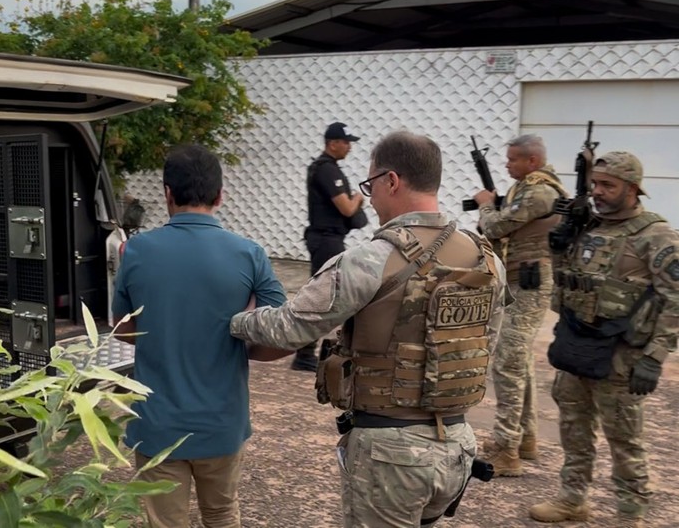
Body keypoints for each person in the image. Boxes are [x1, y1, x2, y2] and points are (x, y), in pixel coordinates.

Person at [231, 130, 509, 527]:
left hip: (390, 452)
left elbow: (289, 329)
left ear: (391, 181)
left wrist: (233, 321)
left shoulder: (371, 260)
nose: (371, 197)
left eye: (370, 185)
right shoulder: (486, 258)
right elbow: (487, 343)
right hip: (457, 446)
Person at [111, 144, 287, 528]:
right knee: (222, 514)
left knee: (164, 521)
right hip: (222, 422)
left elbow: (121, 325)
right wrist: (233, 340)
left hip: (157, 423)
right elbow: (282, 333)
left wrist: (165, 334)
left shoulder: (137, 250)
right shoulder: (249, 253)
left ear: (167, 193)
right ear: (220, 195)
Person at [529, 151, 678, 527]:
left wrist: (655, 356)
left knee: (624, 440)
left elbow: (675, 297)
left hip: (621, 354)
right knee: (574, 429)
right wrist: (560, 243)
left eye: (608, 185)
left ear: (633, 189)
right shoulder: (587, 226)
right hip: (578, 343)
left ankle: (631, 514)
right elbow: (568, 282)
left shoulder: (655, 235)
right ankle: (572, 499)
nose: (598, 191)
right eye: (595, 183)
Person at [471, 134, 569, 476]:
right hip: (519, 280)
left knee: (508, 361)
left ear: (532, 161)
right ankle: (524, 438)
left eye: (512, 160)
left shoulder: (540, 190)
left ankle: (506, 449)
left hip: (530, 283)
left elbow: (496, 225)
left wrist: (485, 203)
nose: (506, 164)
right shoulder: (528, 188)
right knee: (520, 361)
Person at [293, 121, 368, 372]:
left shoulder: (329, 168)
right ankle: (306, 353)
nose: (349, 147)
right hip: (326, 240)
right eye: (345, 142)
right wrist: (359, 196)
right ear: (332, 143)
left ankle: (307, 352)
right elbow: (346, 208)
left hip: (329, 238)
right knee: (324, 296)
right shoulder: (326, 170)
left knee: (328, 295)